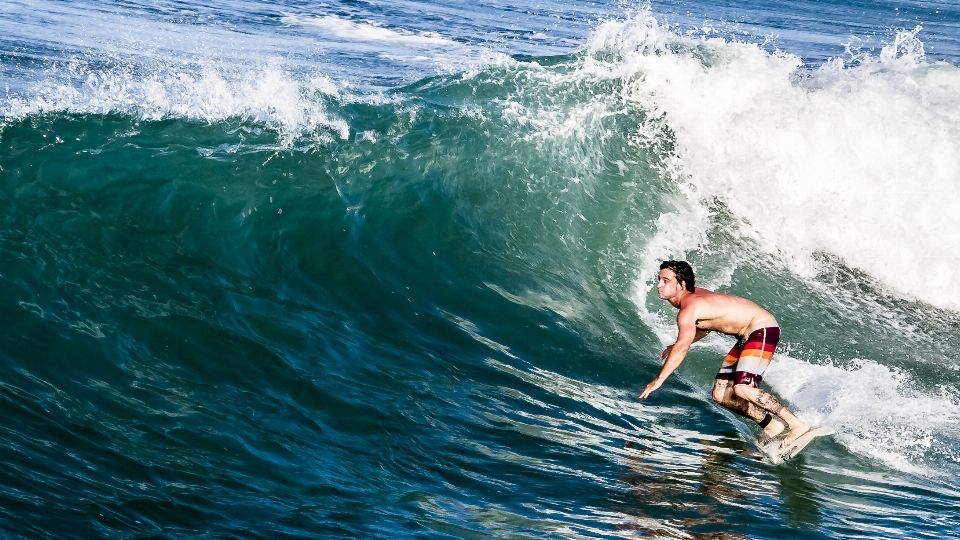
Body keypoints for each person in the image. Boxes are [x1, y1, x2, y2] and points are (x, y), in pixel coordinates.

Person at [639, 260, 812, 451]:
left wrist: (659, 379)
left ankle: (797, 424)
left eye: (665, 281)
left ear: (682, 284)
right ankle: (770, 424)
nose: (658, 285)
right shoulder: (694, 298)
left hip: (762, 328)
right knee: (721, 395)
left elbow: (683, 347)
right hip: (747, 334)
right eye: (659, 279)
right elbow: (706, 326)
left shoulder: (688, 309)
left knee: (743, 389)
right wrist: (678, 343)